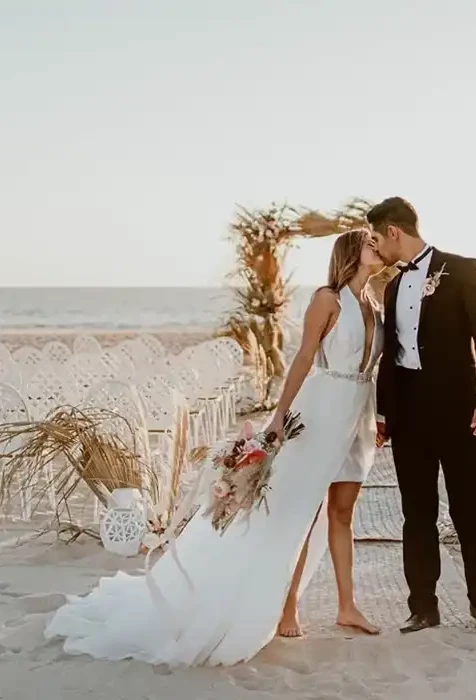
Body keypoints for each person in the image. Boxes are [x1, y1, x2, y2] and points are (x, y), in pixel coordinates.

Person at [44, 228, 384, 666]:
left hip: (356, 416)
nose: (379, 247)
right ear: (353, 252)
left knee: (341, 512)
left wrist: (378, 419)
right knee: (298, 510)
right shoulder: (328, 299)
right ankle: (287, 605)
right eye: (371, 242)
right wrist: (279, 415)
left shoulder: (374, 303)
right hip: (320, 413)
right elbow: (302, 358)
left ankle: (346, 605)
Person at [368, 197, 476, 639]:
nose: (376, 247)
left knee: (471, 514)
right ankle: (423, 608)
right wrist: (385, 413)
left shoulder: (463, 269)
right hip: (409, 418)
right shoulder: (391, 287)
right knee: (417, 514)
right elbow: (393, 356)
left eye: (376, 237)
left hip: (460, 415)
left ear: (394, 231)